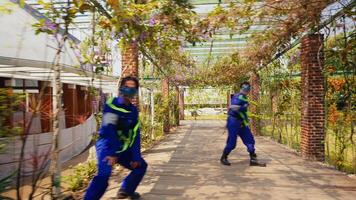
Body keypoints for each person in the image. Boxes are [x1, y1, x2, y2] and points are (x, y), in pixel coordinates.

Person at [84, 76, 147, 200]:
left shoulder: (133, 111)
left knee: (140, 166)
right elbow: (108, 129)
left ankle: (126, 190)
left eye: (133, 88)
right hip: (107, 146)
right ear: (121, 88)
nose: (130, 90)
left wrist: (135, 157)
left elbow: (135, 133)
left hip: (123, 148)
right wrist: (112, 153)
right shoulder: (111, 105)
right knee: (104, 176)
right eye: (127, 87)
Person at [220, 82, 265, 167]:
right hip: (233, 122)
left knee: (249, 140)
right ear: (241, 88)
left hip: (242, 122)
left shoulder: (244, 97)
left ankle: (253, 159)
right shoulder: (238, 96)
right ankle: (224, 157)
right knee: (232, 143)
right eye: (245, 88)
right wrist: (244, 107)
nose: (246, 90)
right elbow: (233, 107)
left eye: (248, 89)